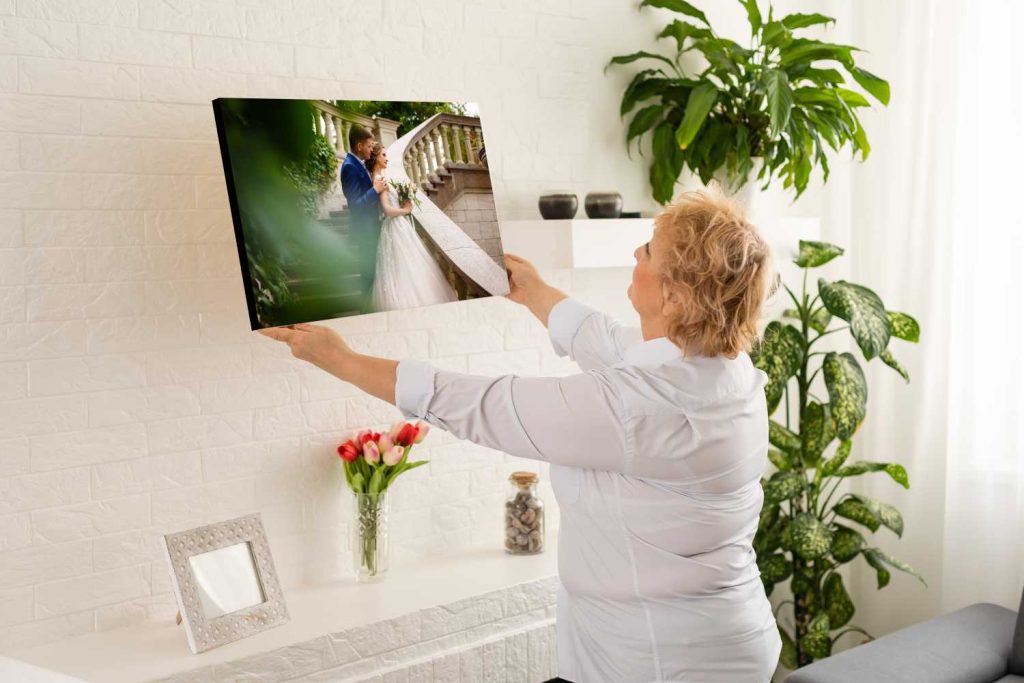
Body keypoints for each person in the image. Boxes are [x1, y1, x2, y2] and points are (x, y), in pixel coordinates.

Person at [258, 188, 782, 682]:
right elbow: (605, 341)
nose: (635, 251)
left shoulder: (642, 407)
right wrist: (533, 292)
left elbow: (481, 405)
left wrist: (340, 359)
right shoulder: (719, 365)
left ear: (674, 297)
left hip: (664, 660)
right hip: (714, 639)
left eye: (649, 249)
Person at [363, 142, 458, 310]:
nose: (387, 158)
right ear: (376, 157)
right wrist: (405, 210)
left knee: (405, 268)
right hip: (394, 226)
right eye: (384, 155)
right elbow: (387, 210)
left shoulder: (379, 178)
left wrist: (403, 197)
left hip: (397, 227)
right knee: (401, 269)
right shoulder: (379, 179)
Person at [339, 124, 388, 313]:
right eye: (369, 146)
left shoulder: (357, 164)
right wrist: (375, 191)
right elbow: (355, 206)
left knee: (371, 276)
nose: (371, 149)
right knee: (367, 277)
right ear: (359, 146)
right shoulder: (349, 168)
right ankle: (366, 313)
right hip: (365, 233)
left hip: (371, 229)